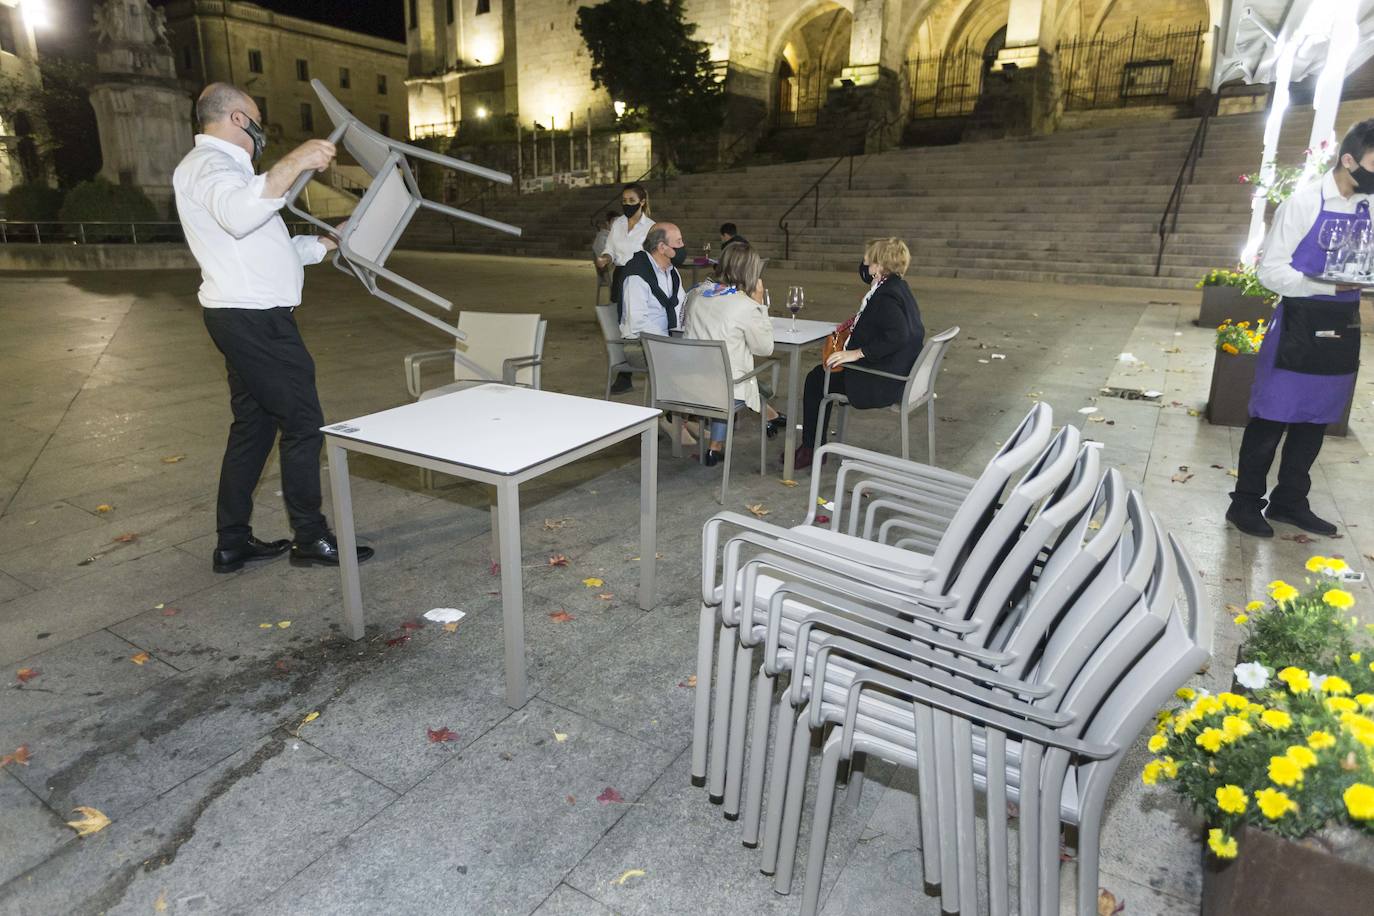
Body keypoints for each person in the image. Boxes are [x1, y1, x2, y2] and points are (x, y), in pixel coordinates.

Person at [173, 83, 374, 573]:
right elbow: (242, 217)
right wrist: (297, 160)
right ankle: (310, 537)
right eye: (258, 119)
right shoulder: (210, 167)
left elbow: (265, 248)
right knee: (303, 423)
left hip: (245, 316)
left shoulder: (231, 173)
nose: (263, 131)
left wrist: (326, 243)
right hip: (254, 321)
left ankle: (232, 542)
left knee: (253, 430)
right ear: (239, 119)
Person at [1226, 120, 1371, 538]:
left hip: (1343, 323)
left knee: (1315, 419)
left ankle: (1290, 502)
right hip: (1299, 322)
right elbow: (1271, 272)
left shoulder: (1370, 206)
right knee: (1272, 417)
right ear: (1349, 160)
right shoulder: (1303, 203)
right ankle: (1245, 503)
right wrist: (1328, 285)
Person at [793, 237, 925, 471]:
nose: (864, 263)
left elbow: (898, 335)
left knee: (816, 380)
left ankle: (811, 450)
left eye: (868, 259)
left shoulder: (886, 296)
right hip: (899, 373)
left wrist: (857, 353)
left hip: (883, 380)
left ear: (879, 265)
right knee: (823, 376)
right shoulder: (898, 287)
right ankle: (813, 447)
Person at [683, 242, 785, 466]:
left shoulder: (697, 294)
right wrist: (759, 305)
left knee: (722, 369)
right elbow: (764, 348)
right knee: (734, 375)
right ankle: (768, 419)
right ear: (751, 272)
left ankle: (715, 447)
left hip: (689, 383)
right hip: (724, 389)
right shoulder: (744, 305)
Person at [619, 222, 696, 446]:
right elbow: (637, 323)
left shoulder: (671, 272)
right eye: (678, 242)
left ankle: (685, 418)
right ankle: (672, 420)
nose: (683, 247)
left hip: (664, 340)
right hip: (638, 345)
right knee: (682, 361)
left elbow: (682, 308)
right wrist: (671, 344)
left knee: (702, 356)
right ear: (662, 247)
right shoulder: (637, 275)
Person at [596, 183, 652, 393]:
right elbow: (610, 248)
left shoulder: (650, 226)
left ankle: (645, 365)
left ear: (642, 202)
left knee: (637, 322)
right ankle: (625, 373)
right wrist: (606, 257)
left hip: (639, 278)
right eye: (624, 201)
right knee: (622, 322)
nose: (627, 205)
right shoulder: (618, 223)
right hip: (620, 275)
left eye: (632, 201)